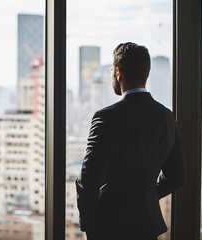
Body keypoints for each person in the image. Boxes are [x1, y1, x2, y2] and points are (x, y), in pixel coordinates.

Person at [75, 42, 187, 240]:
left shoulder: (106, 118)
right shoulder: (167, 117)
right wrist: (146, 196)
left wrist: (91, 229)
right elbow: (177, 177)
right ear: (146, 73)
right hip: (148, 227)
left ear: (118, 73)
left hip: (110, 228)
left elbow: (88, 181)